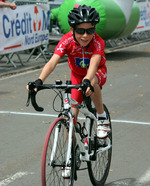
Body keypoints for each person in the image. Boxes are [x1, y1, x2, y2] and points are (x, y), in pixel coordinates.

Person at [26, 5, 110, 138]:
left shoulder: (97, 41)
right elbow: (53, 62)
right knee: (71, 119)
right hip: (77, 74)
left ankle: (101, 116)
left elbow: (94, 62)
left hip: (97, 71)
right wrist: (39, 80)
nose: (85, 35)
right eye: (80, 31)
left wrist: (88, 80)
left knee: (92, 81)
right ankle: (72, 154)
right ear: (72, 29)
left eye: (90, 30)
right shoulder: (67, 40)